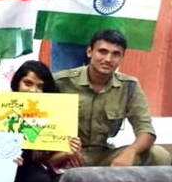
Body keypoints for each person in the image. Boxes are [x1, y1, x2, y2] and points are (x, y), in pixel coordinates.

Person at [54, 30, 171, 167]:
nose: (108, 59)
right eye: (102, 52)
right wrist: (61, 151)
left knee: (158, 154)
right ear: (89, 52)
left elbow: (146, 130)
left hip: (105, 156)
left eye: (116, 54)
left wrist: (130, 152)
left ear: (122, 58)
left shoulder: (129, 86)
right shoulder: (61, 81)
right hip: (68, 156)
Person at [6, 60, 82, 182]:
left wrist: (68, 151)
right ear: (17, 83)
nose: (33, 91)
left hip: (31, 172)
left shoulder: (55, 115)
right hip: (2, 167)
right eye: (27, 83)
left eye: (40, 86)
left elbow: (49, 163)